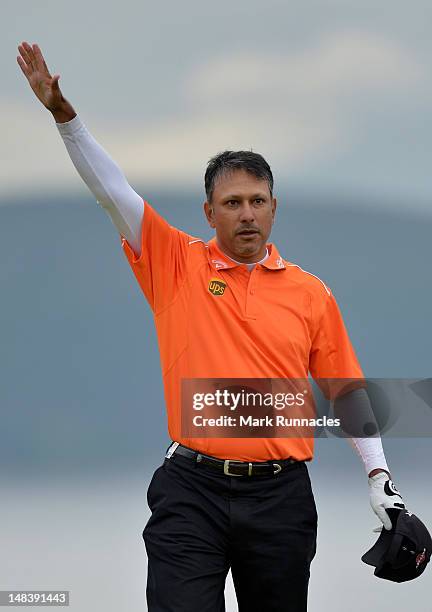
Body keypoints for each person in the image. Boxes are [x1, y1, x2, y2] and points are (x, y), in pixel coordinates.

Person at [17, 41, 408, 612]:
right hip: (192, 488)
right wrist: (64, 117)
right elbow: (112, 191)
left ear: (275, 207)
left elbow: (346, 390)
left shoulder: (310, 292)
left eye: (256, 200)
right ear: (209, 212)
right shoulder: (173, 263)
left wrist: (380, 479)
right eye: (231, 203)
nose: (246, 213)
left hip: (281, 496)